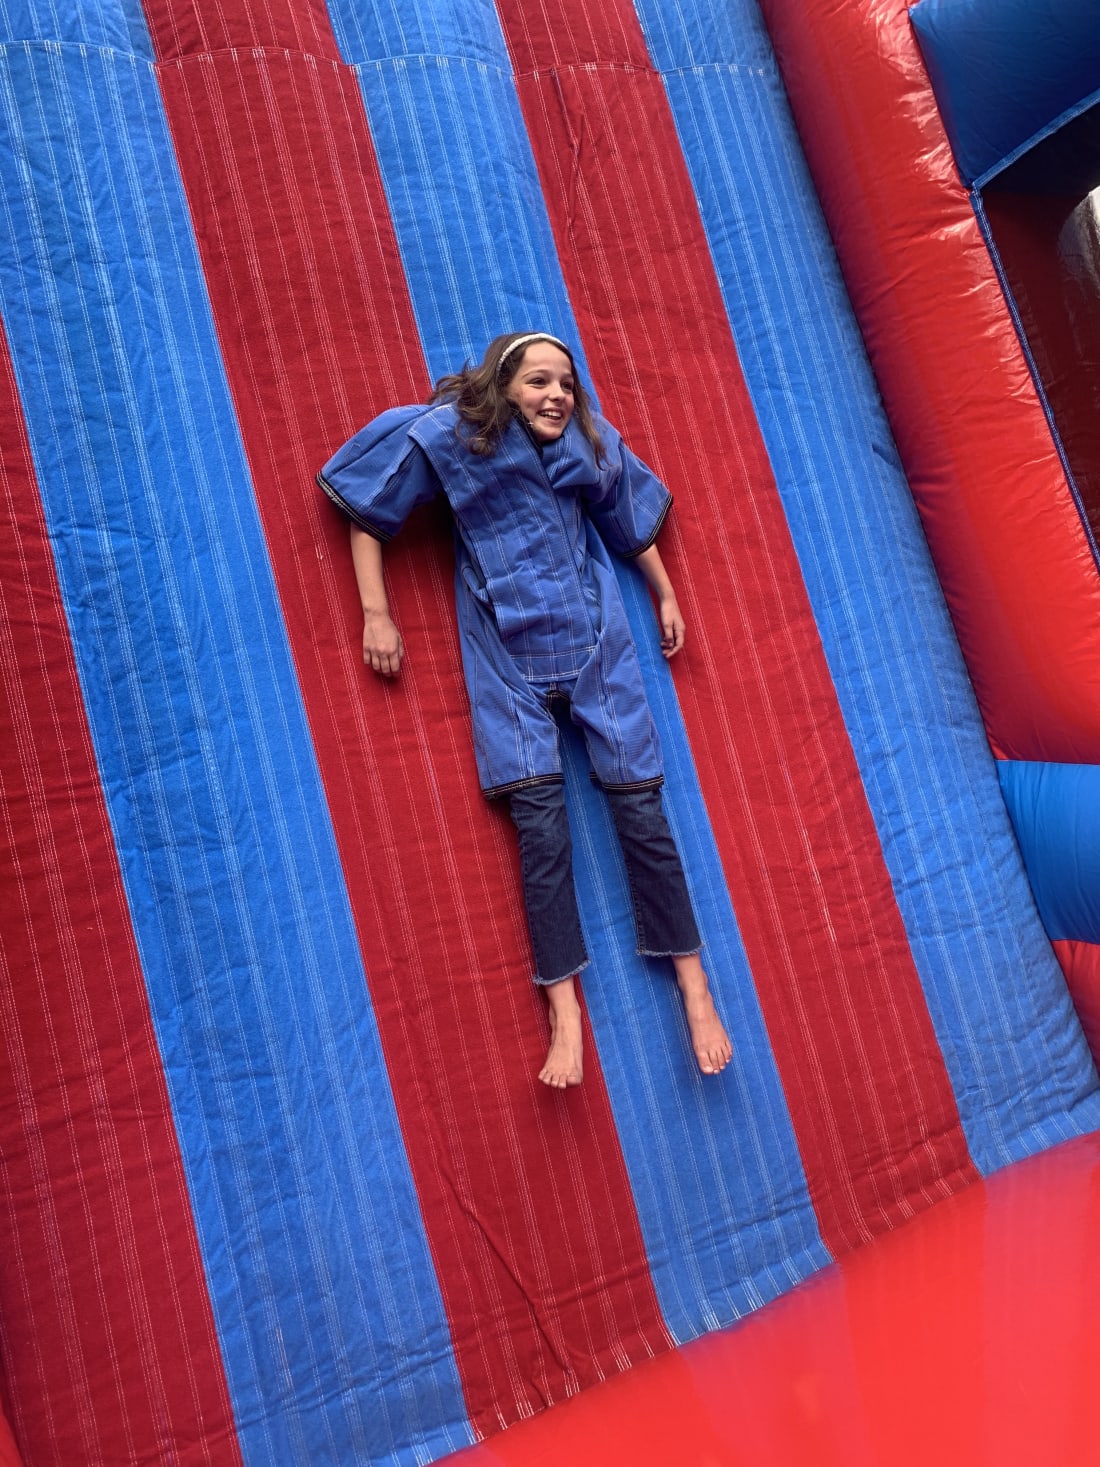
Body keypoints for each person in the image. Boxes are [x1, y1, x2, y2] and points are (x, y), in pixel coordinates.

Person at [318, 331, 731, 1087]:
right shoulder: (448, 439)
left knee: (643, 816)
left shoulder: (585, 442)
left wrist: (665, 592)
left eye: (567, 384)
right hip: (506, 660)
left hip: (595, 642)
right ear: (503, 385)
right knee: (542, 839)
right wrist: (376, 613)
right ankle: (565, 1012)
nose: (557, 396)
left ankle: (696, 986)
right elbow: (369, 510)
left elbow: (623, 514)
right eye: (540, 380)